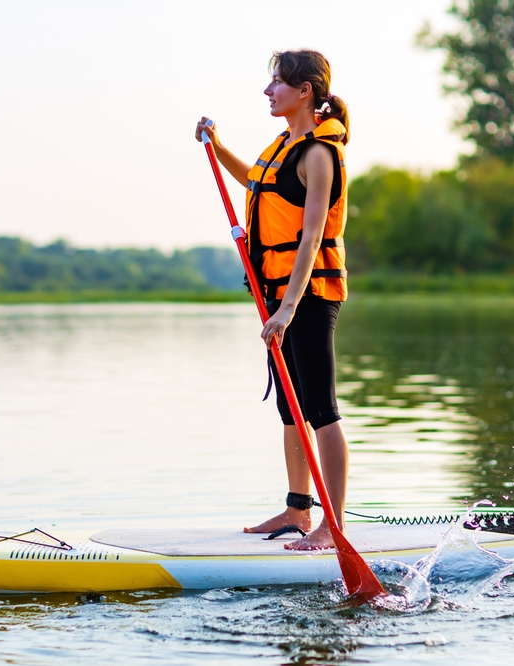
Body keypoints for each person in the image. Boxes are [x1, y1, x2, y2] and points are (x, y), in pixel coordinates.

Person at [195, 49, 351, 550]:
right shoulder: (284, 146)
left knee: (320, 409)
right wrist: (216, 146)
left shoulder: (320, 155)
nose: (268, 91)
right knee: (290, 408)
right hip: (277, 298)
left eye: (277, 83)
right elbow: (253, 181)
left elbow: (309, 238)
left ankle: (333, 526)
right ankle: (296, 511)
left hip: (307, 296)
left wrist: (287, 308)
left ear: (305, 91)